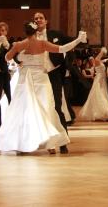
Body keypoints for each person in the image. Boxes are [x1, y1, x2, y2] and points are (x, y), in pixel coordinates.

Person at [0, 23, 86, 154]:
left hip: (25, 80)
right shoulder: (43, 44)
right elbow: (63, 48)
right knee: (46, 110)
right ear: (36, 32)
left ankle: (22, 143)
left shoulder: (19, 45)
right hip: (41, 80)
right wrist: (78, 40)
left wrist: (17, 59)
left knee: (23, 111)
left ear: (25, 32)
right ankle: (51, 145)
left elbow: (7, 58)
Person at [33, 12, 79, 153]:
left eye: (41, 18)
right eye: (36, 19)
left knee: (57, 107)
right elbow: (18, 52)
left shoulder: (55, 34)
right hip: (38, 77)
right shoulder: (30, 37)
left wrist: (68, 63)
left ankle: (62, 142)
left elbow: (70, 44)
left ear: (46, 21)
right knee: (40, 109)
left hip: (54, 75)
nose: (39, 20)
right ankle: (47, 142)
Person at [78, 48, 108, 121]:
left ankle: (102, 113)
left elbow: (103, 61)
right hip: (99, 79)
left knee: (102, 94)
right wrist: (103, 51)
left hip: (102, 78)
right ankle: (102, 112)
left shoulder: (98, 61)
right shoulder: (96, 60)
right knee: (99, 94)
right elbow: (99, 61)